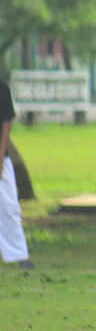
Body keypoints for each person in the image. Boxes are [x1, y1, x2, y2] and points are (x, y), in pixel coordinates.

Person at [0, 79, 34, 271]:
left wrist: (1, 155)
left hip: (1, 158)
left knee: (8, 207)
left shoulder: (1, 88)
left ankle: (19, 254)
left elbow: (6, 124)